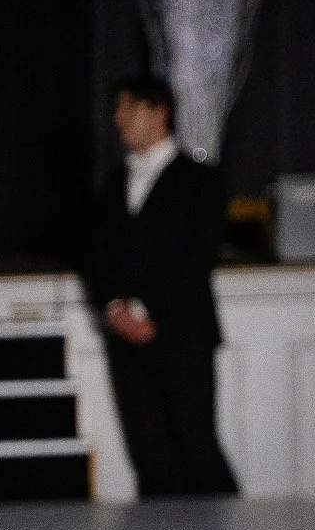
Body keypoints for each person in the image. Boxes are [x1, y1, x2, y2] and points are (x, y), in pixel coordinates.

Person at [86, 73, 238, 500]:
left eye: (126, 108)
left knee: (196, 448)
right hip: (126, 342)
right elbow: (95, 258)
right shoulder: (114, 184)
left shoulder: (201, 181)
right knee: (149, 457)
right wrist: (115, 308)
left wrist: (147, 311)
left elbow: (197, 259)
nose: (117, 119)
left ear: (158, 113)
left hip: (181, 335)